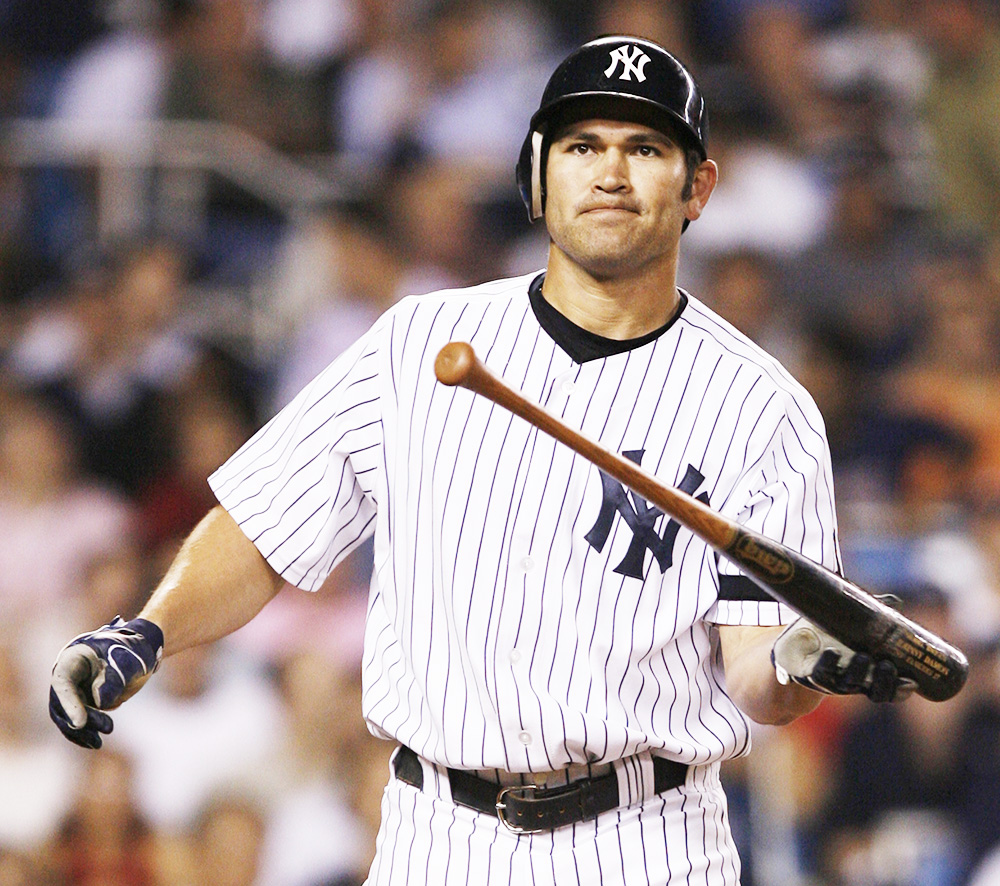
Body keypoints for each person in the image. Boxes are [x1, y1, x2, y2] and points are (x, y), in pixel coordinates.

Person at [48, 36, 915, 885]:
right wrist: (149, 630)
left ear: (698, 188)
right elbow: (264, 526)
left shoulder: (761, 408)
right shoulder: (419, 344)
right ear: (536, 178)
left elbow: (758, 671)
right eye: (582, 146)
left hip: (649, 840)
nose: (610, 173)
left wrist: (807, 663)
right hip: (438, 835)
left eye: (645, 148)